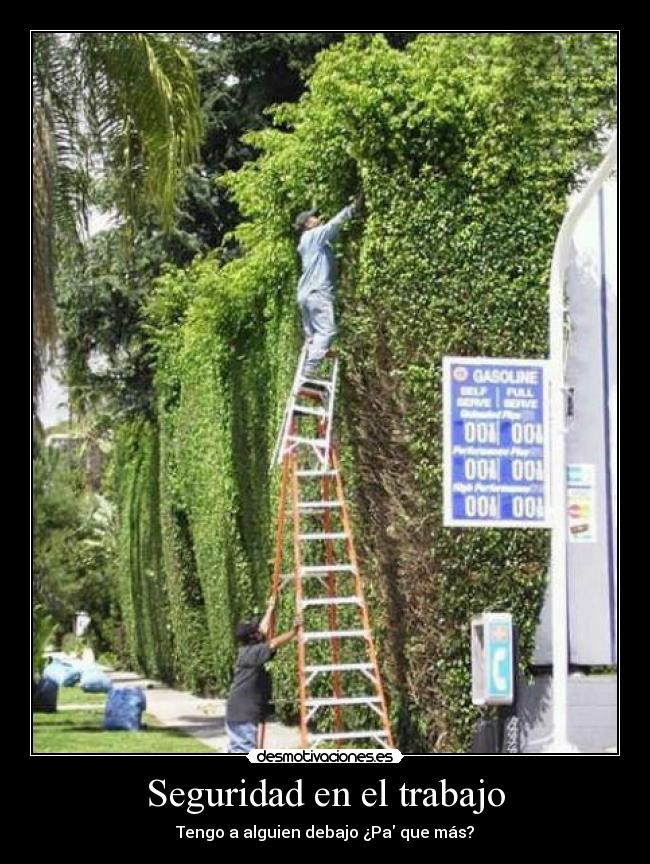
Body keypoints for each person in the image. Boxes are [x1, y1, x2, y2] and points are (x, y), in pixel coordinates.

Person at [294, 194, 364, 376]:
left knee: (313, 338)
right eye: (313, 217)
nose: (317, 217)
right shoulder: (313, 236)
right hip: (318, 293)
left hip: (305, 295)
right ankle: (308, 372)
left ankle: (306, 370)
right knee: (327, 331)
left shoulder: (309, 242)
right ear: (308, 224)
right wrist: (352, 208)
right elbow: (334, 225)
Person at [225, 595, 300, 753]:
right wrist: (294, 632)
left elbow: (262, 630)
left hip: (238, 713)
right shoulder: (253, 653)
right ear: (253, 637)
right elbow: (273, 643)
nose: (259, 630)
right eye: (255, 630)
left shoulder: (248, 650)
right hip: (243, 715)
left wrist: (270, 609)